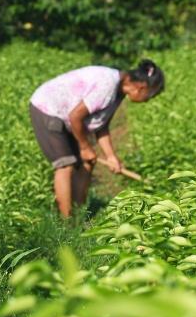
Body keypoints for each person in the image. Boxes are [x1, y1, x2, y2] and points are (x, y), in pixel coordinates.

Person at [29, 59, 165, 218]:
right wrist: (85, 147)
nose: (147, 100)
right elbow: (75, 117)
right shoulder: (107, 85)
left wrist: (111, 157)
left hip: (68, 116)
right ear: (141, 87)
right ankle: (66, 224)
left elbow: (101, 126)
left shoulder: (119, 92)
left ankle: (79, 214)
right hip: (48, 108)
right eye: (149, 96)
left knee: (88, 161)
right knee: (65, 164)